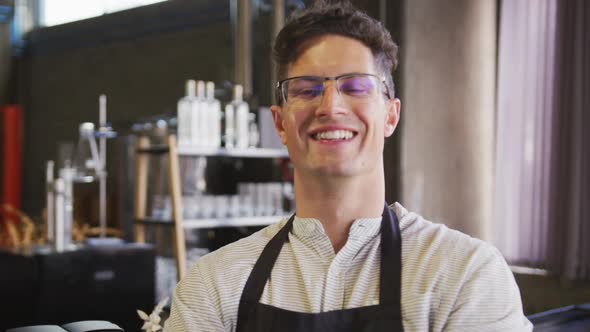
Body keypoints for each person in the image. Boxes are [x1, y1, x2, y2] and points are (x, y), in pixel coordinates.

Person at [164, 1, 533, 331]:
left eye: (356, 87)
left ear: (390, 116)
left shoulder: (464, 274)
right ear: (279, 123)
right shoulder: (214, 285)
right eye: (306, 89)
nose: (330, 107)